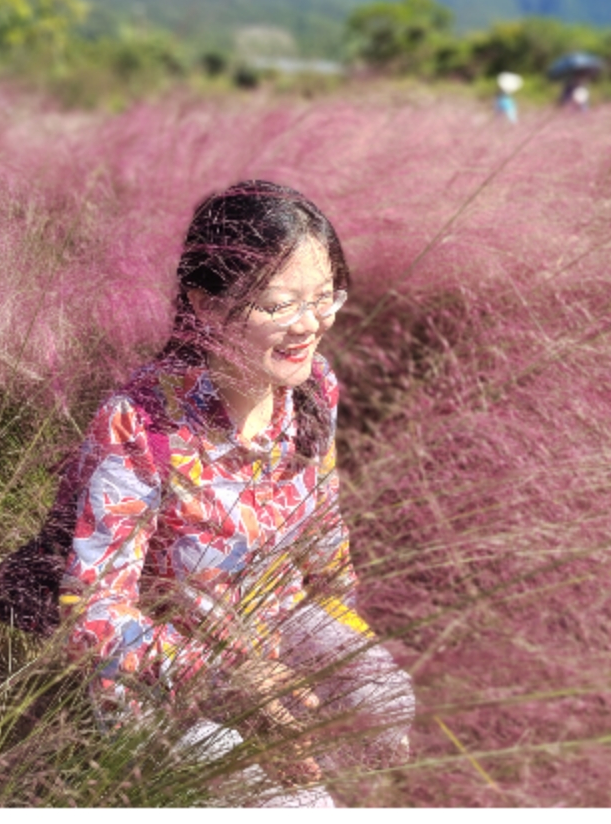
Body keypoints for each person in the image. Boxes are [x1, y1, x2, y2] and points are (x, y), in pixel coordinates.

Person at [60, 181, 412, 808]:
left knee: (386, 703)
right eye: (279, 305)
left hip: (275, 627)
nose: (310, 326)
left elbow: (325, 526)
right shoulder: (139, 425)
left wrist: (348, 631)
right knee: (295, 806)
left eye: (327, 296)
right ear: (204, 302)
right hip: (167, 672)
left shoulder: (314, 388)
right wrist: (225, 679)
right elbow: (92, 611)